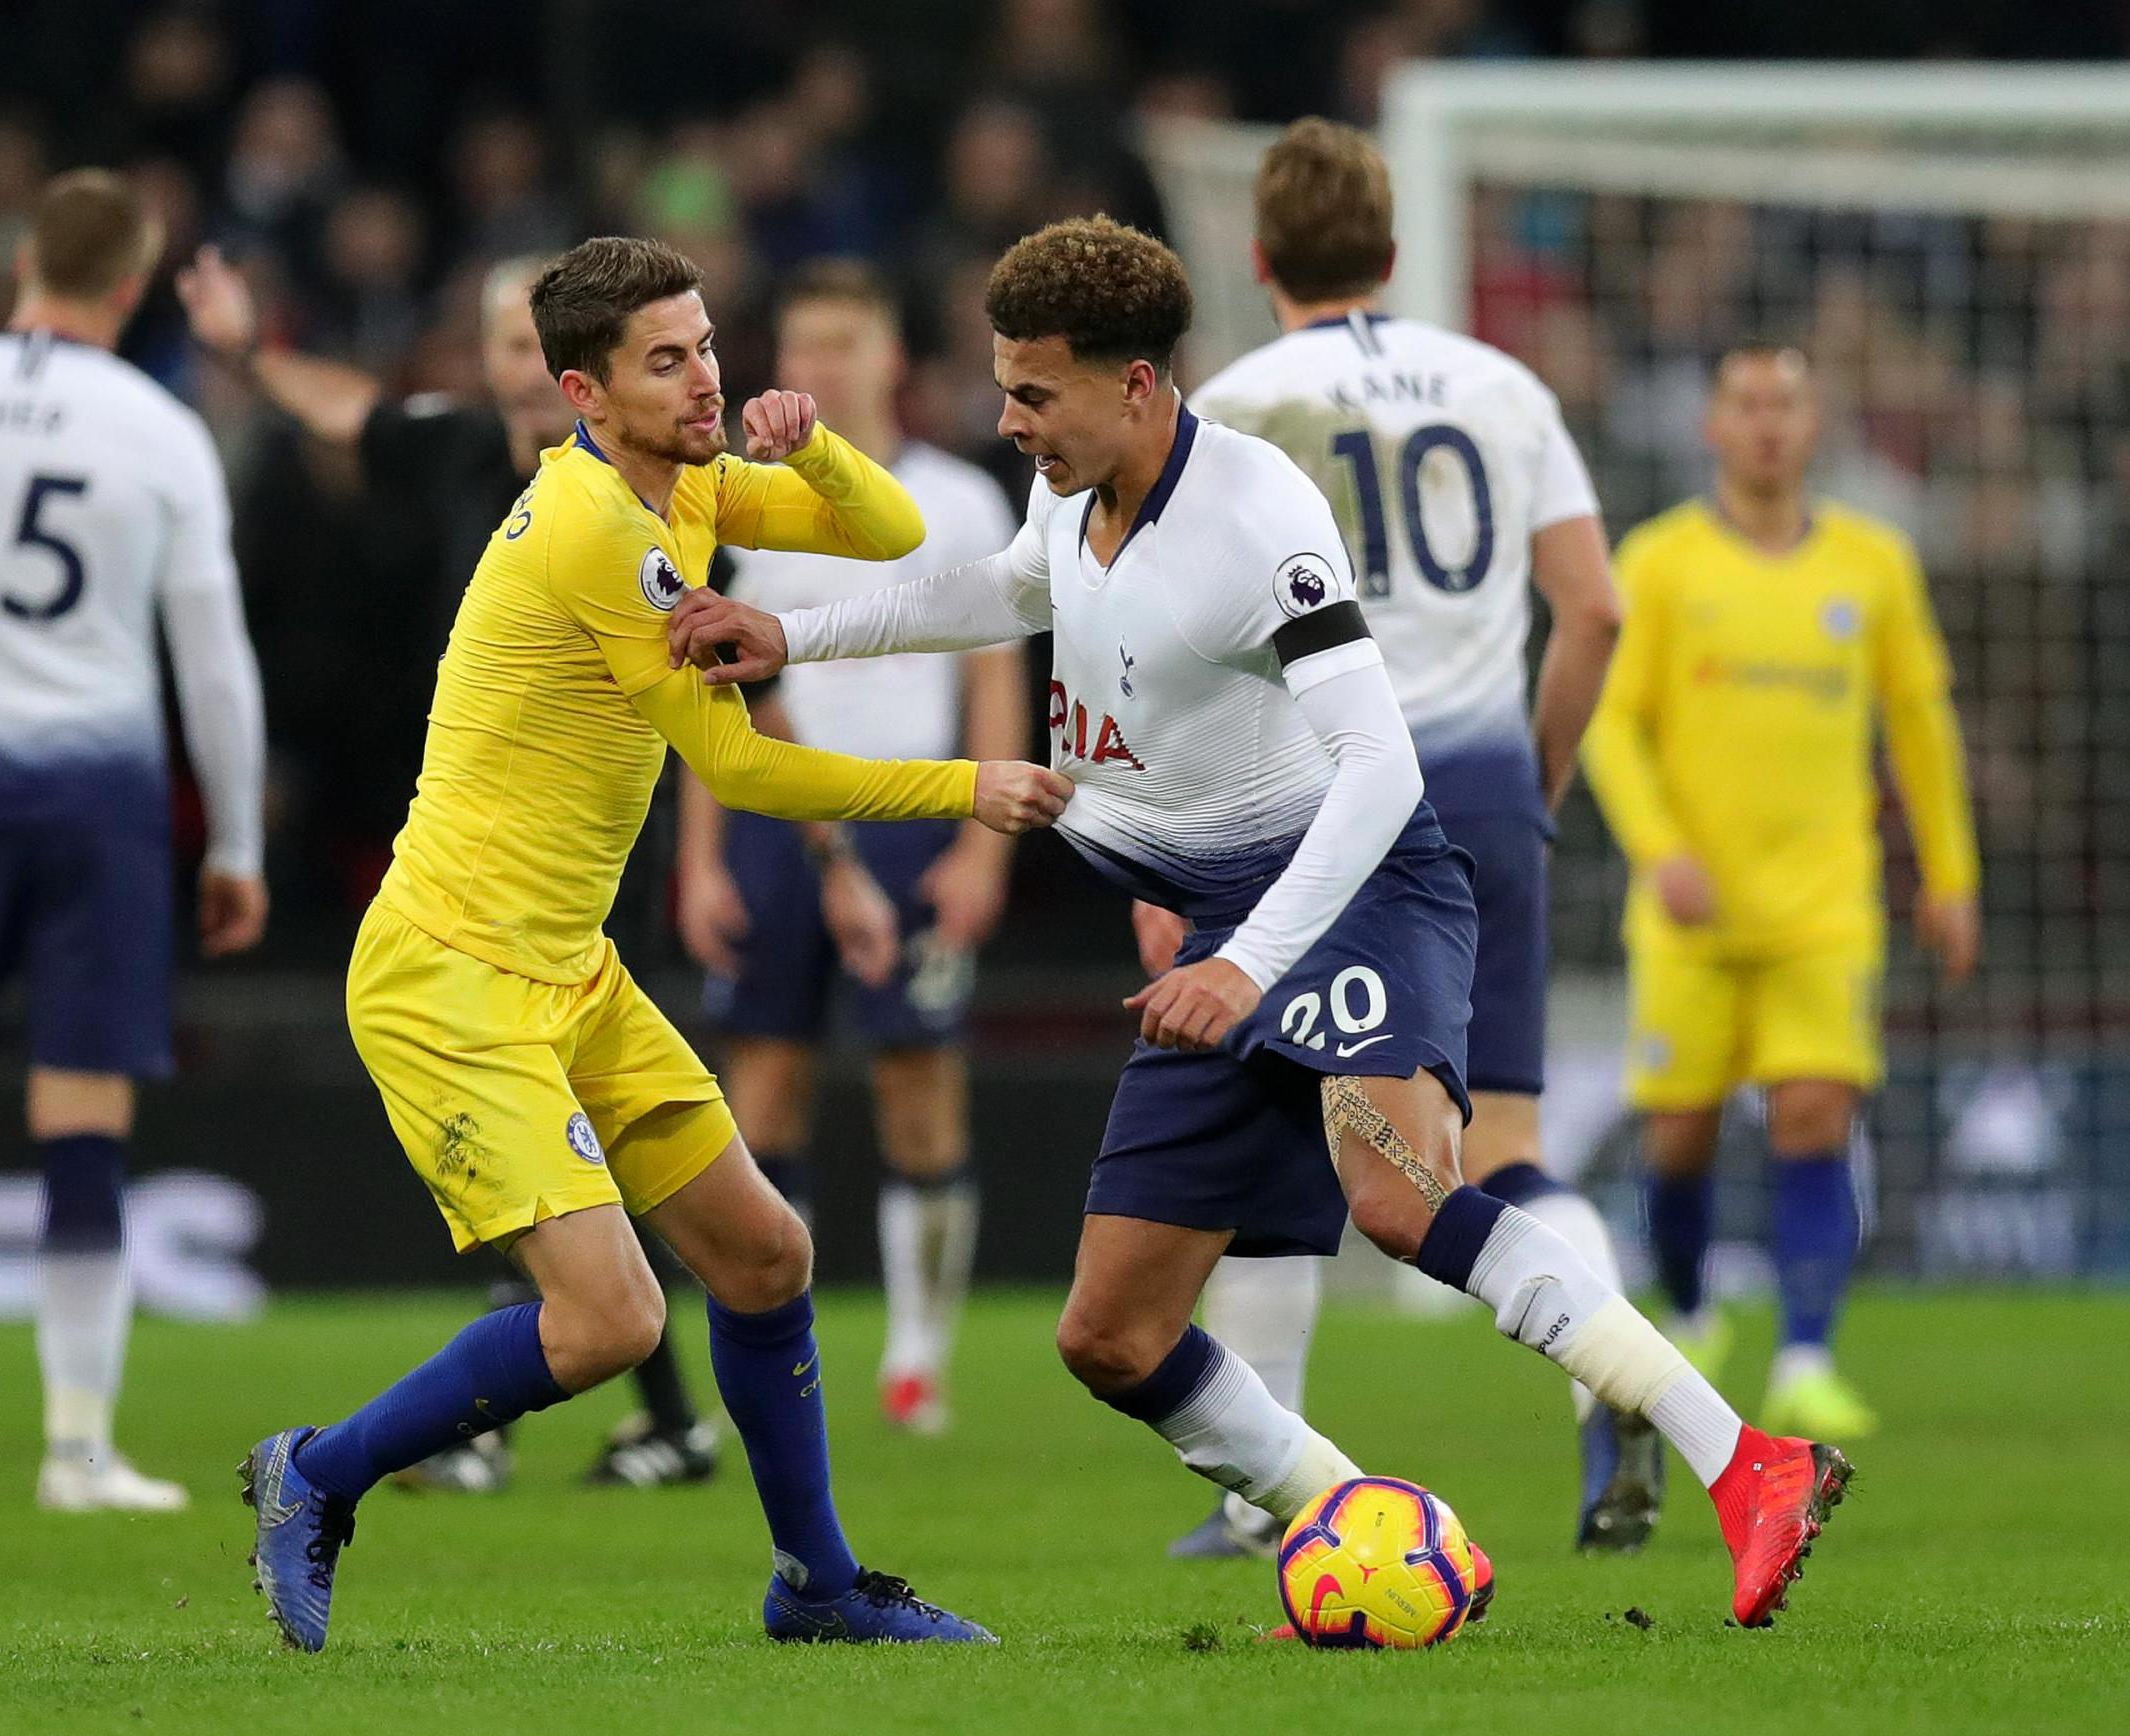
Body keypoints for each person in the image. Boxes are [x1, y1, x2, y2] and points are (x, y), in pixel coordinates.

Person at [671, 216, 1850, 1632]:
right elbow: (999, 589)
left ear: (1136, 385)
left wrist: (1242, 964)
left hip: (1351, 890)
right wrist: (792, 636)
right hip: (1222, 913)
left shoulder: (1256, 515)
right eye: (1003, 387)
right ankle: (1363, 1521)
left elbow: (1380, 768)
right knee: (1111, 1334)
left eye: (1034, 392)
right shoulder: (1070, 491)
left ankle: (1748, 1460)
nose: (1009, 419)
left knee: (1398, 1197)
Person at [239, 235, 1070, 1654]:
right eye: (668, 360)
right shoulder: (588, 526)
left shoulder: (684, 482)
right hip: (452, 971)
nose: (707, 381)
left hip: (566, 963)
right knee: (610, 1322)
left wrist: (816, 451)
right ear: (585, 392)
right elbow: (736, 766)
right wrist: (964, 788)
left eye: (708, 347)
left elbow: (892, 534)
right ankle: (314, 1473)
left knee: (764, 1255)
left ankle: (816, 1586)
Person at [1154, 117, 1647, 1559]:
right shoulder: (1502, 384)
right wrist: (1533, 776)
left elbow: (1187, 646)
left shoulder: (1234, 404)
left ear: (1258, 255)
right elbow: (1594, 607)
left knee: (1270, 1120)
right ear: (1393, 248)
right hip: (1483, 786)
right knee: (1510, 1142)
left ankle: (1261, 1496)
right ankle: (1610, 1385)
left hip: (1315, 795)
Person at [176, 245, 716, 1492]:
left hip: (588, 869)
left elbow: (724, 702)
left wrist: (719, 857)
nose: (519, 366)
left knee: (577, 1155)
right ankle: (655, 1424)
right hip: (474, 861)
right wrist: (249, 350)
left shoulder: (657, 493)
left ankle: (510, 1432)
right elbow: (345, 408)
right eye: (503, 343)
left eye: (536, 343)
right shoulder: (459, 453)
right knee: (567, 1155)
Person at [0, 169, 268, 1512]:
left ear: (24, 261)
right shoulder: (158, 429)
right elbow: (214, 664)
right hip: (99, 805)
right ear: (131, 284)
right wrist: (235, 841)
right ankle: (77, 1450)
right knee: (84, 1115)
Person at [1584, 342, 1980, 1442]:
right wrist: (1659, 848)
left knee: (1814, 1112)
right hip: (1690, 910)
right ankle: (1692, 1311)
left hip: (1823, 903)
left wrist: (1951, 873)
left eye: (1786, 406)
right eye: (1747, 405)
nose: (1766, 424)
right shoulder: (1660, 561)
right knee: (1679, 1135)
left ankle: (1806, 1356)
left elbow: (1919, 726)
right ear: (1712, 427)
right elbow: (1612, 724)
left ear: (1814, 428)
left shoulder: (1872, 563)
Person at [676, 260, 1023, 1433]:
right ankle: (776, 1352)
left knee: (917, 1087)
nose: (819, 364)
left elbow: (992, 674)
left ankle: (917, 1358)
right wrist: (702, 861)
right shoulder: (742, 502)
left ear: (891, 359)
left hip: (912, 818)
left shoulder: (955, 502)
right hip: (774, 818)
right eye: (802, 343)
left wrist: (982, 846)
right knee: (760, 1092)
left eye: (842, 341)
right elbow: (709, 690)